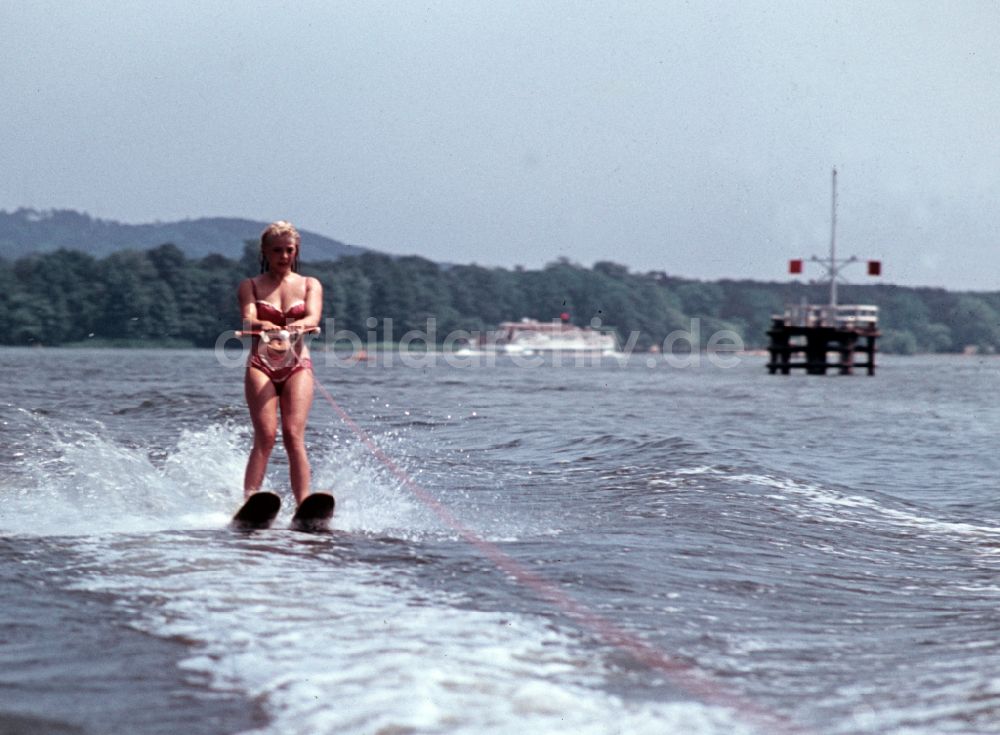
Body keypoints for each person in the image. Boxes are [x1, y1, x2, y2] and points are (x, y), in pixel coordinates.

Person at [238, 221, 323, 505]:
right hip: (261, 365)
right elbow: (249, 318)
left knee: (292, 434)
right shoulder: (250, 286)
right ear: (264, 252)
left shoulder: (310, 284)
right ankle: (249, 501)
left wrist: (299, 326)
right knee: (265, 435)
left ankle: (304, 504)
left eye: (289, 250)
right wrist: (265, 324)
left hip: (297, 365)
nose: (284, 256)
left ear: (296, 251)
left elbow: (313, 317)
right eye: (277, 251)